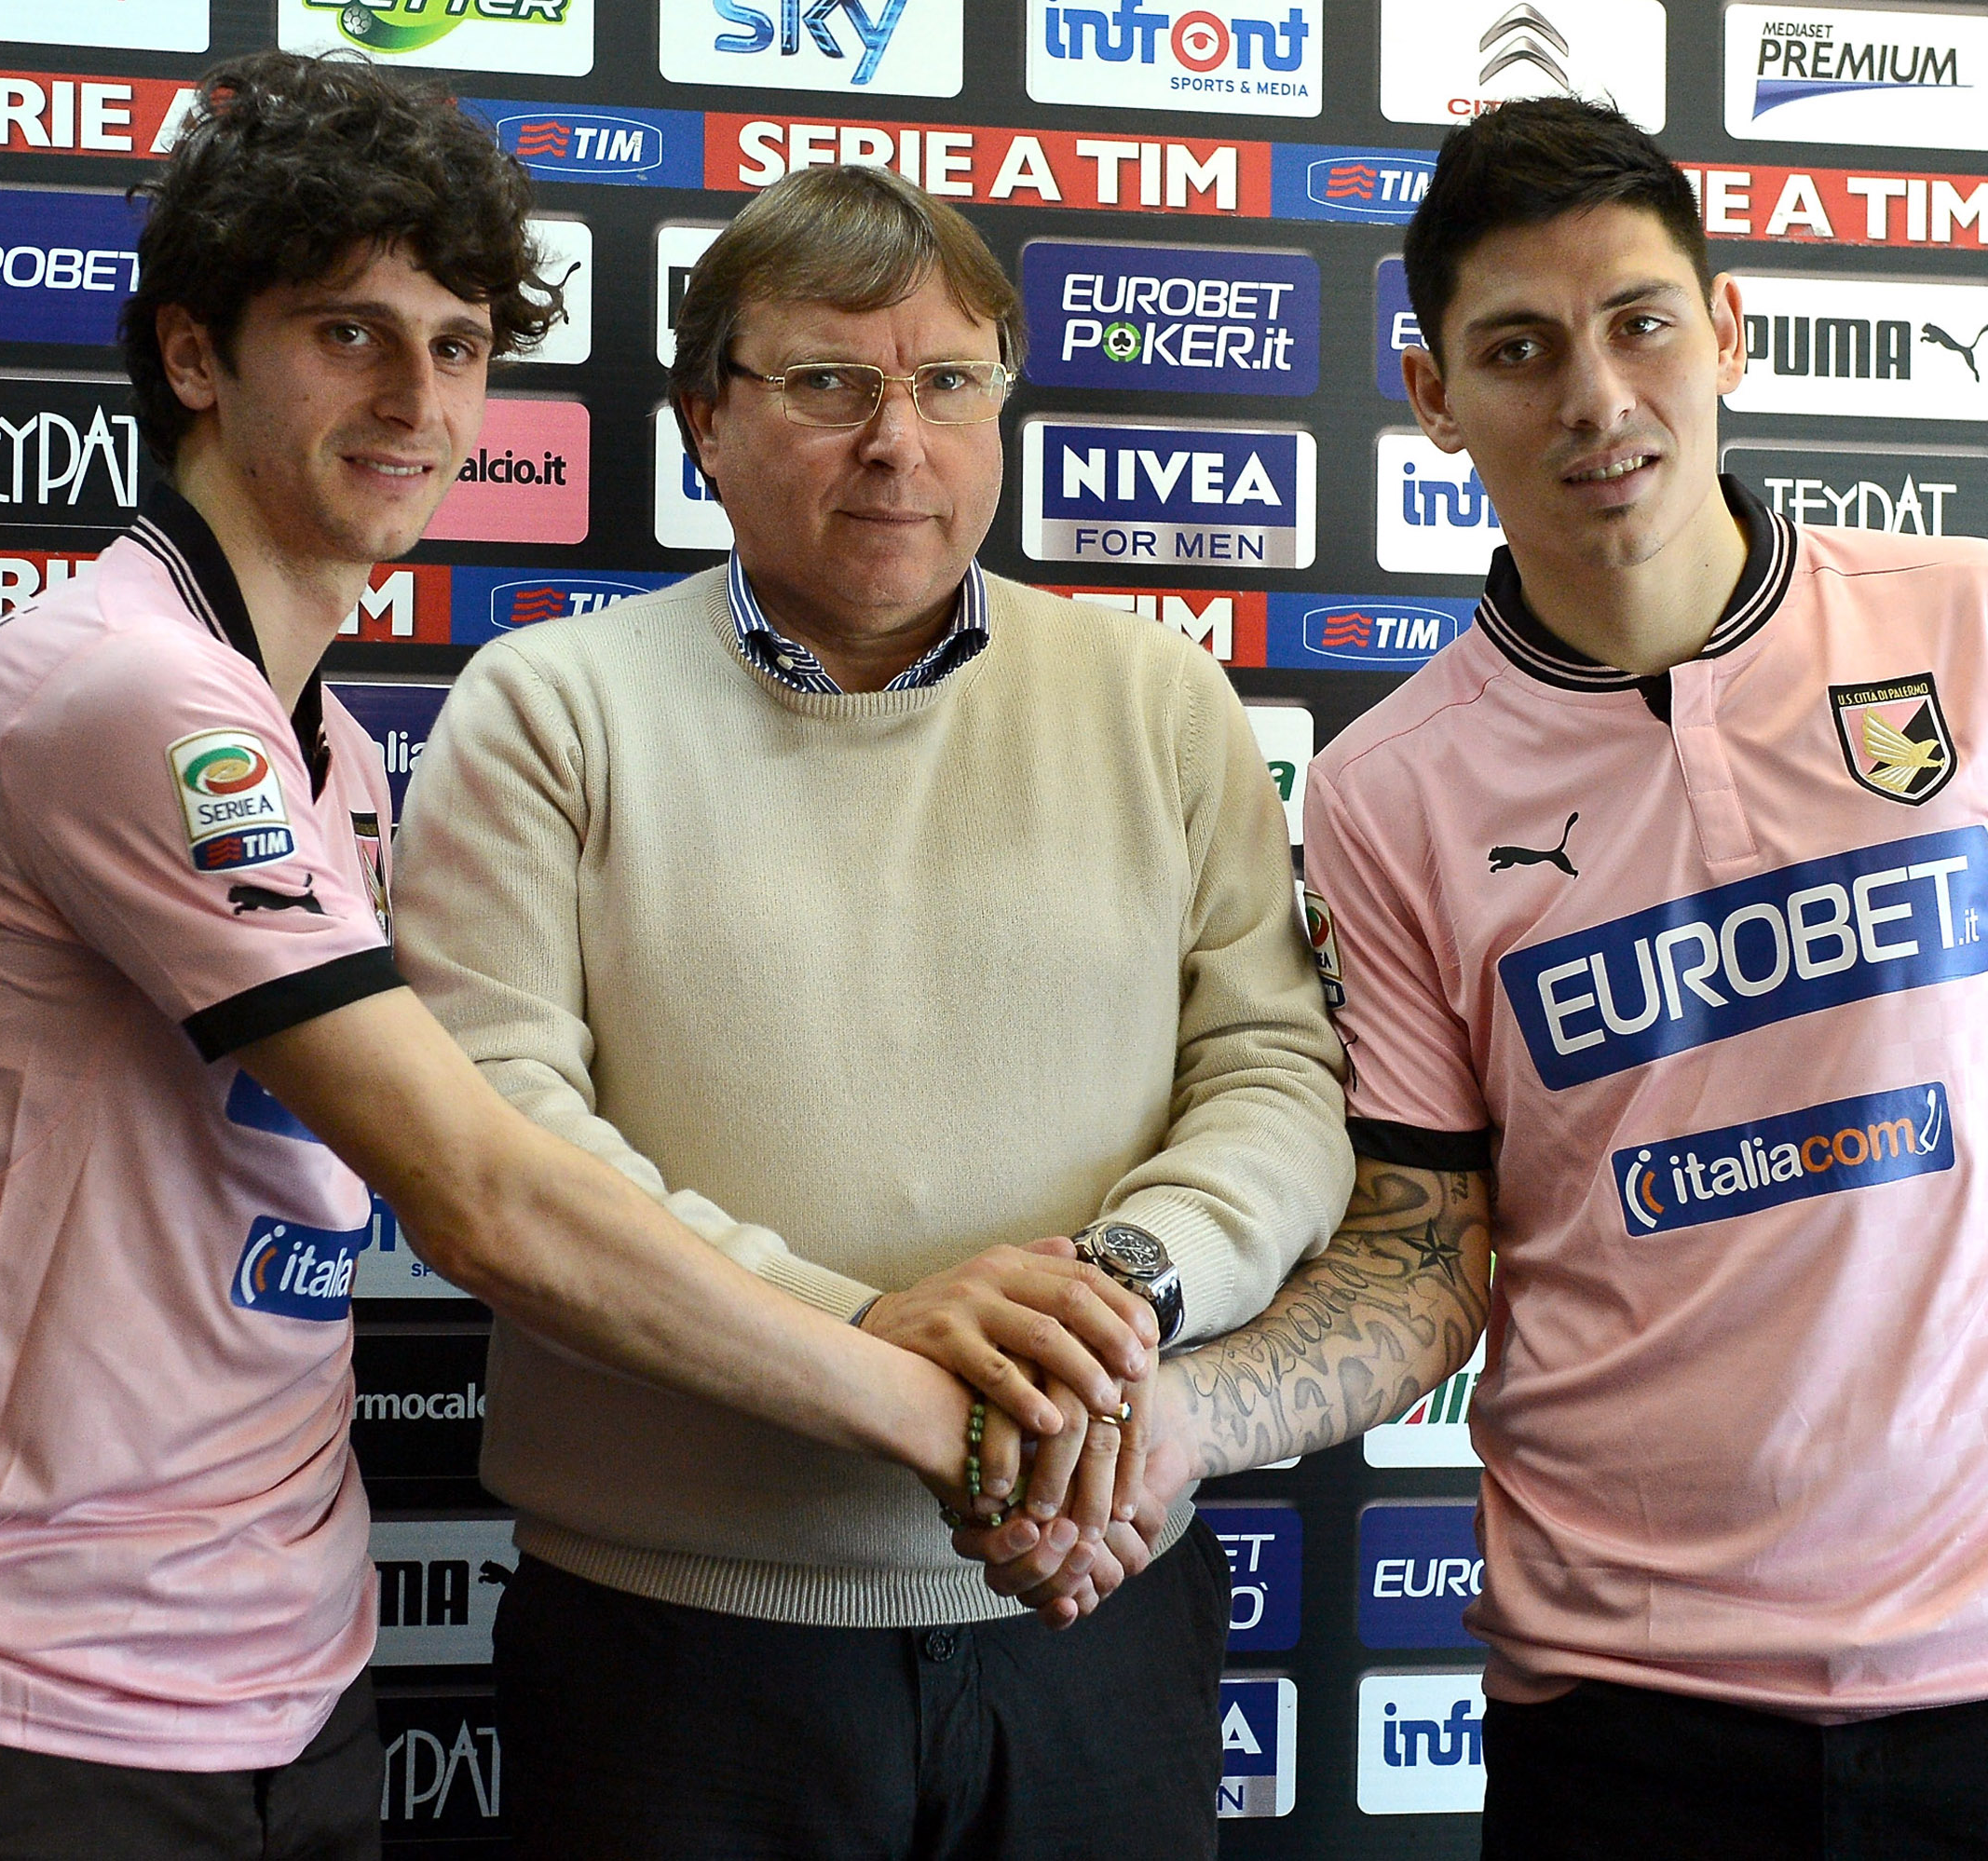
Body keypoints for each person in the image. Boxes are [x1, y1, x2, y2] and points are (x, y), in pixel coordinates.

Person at [986, 96, 1988, 1857]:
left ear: (1728, 331)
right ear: (1435, 399)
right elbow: (1426, 1256)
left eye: (1640, 323)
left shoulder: (1980, 620)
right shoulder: (1392, 789)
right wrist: (1183, 1419)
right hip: (1627, 1721)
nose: (1597, 400)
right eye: (1520, 350)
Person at [0, 55, 989, 1861]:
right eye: (349, 334)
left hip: (286, 1680)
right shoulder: (134, 695)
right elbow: (481, 1191)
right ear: (195, 355)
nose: (420, 399)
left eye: (462, 341)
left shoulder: (310, 734)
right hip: (16, 1699)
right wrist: (921, 1398)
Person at [386, 160, 1353, 1858]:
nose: (897, 439)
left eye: (948, 383)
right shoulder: (549, 710)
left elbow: (1274, 1075)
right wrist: (870, 1329)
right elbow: (503, 1136)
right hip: (672, 1654)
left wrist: (1110, 1305)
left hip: (1096, 1609)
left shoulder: (1156, 697)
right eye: (829, 381)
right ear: (704, 415)